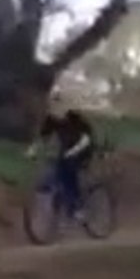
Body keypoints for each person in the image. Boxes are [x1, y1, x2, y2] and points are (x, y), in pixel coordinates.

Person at [25, 93, 99, 223]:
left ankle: (78, 208)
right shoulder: (51, 119)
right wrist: (33, 149)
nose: (54, 110)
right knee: (55, 168)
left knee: (69, 171)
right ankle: (55, 200)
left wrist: (73, 151)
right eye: (52, 106)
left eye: (57, 106)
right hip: (66, 151)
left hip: (83, 149)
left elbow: (86, 139)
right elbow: (43, 137)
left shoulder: (75, 118)